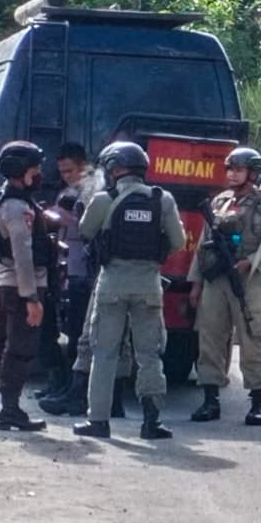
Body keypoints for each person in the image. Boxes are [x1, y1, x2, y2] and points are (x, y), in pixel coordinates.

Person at [73, 142, 185, 439]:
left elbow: (85, 231)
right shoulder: (163, 200)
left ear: (115, 168)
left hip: (111, 285)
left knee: (105, 352)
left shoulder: (103, 199)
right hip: (149, 286)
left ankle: (98, 421)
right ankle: (151, 422)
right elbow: (178, 241)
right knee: (149, 354)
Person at [189, 147, 261, 425]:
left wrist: (251, 262)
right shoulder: (219, 202)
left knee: (252, 337)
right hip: (215, 280)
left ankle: (258, 401)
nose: (232, 175)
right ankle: (210, 400)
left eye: (238, 169)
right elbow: (202, 245)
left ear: (252, 173)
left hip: (248, 281)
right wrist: (196, 283)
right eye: (229, 169)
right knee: (210, 338)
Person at [0, 142, 52, 430]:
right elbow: (23, 252)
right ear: (19, 169)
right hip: (20, 284)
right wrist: (31, 297)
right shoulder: (16, 206)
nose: (38, 173)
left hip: (6, 281)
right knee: (20, 348)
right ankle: (11, 409)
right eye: (34, 168)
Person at [36, 143, 95, 400]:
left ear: (83, 166)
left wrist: (66, 218)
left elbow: (92, 229)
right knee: (60, 328)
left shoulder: (94, 192)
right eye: (62, 172)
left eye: (70, 171)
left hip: (84, 271)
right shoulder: (67, 192)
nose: (66, 176)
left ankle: (74, 388)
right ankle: (59, 383)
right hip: (64, 268)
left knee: (78, 335)